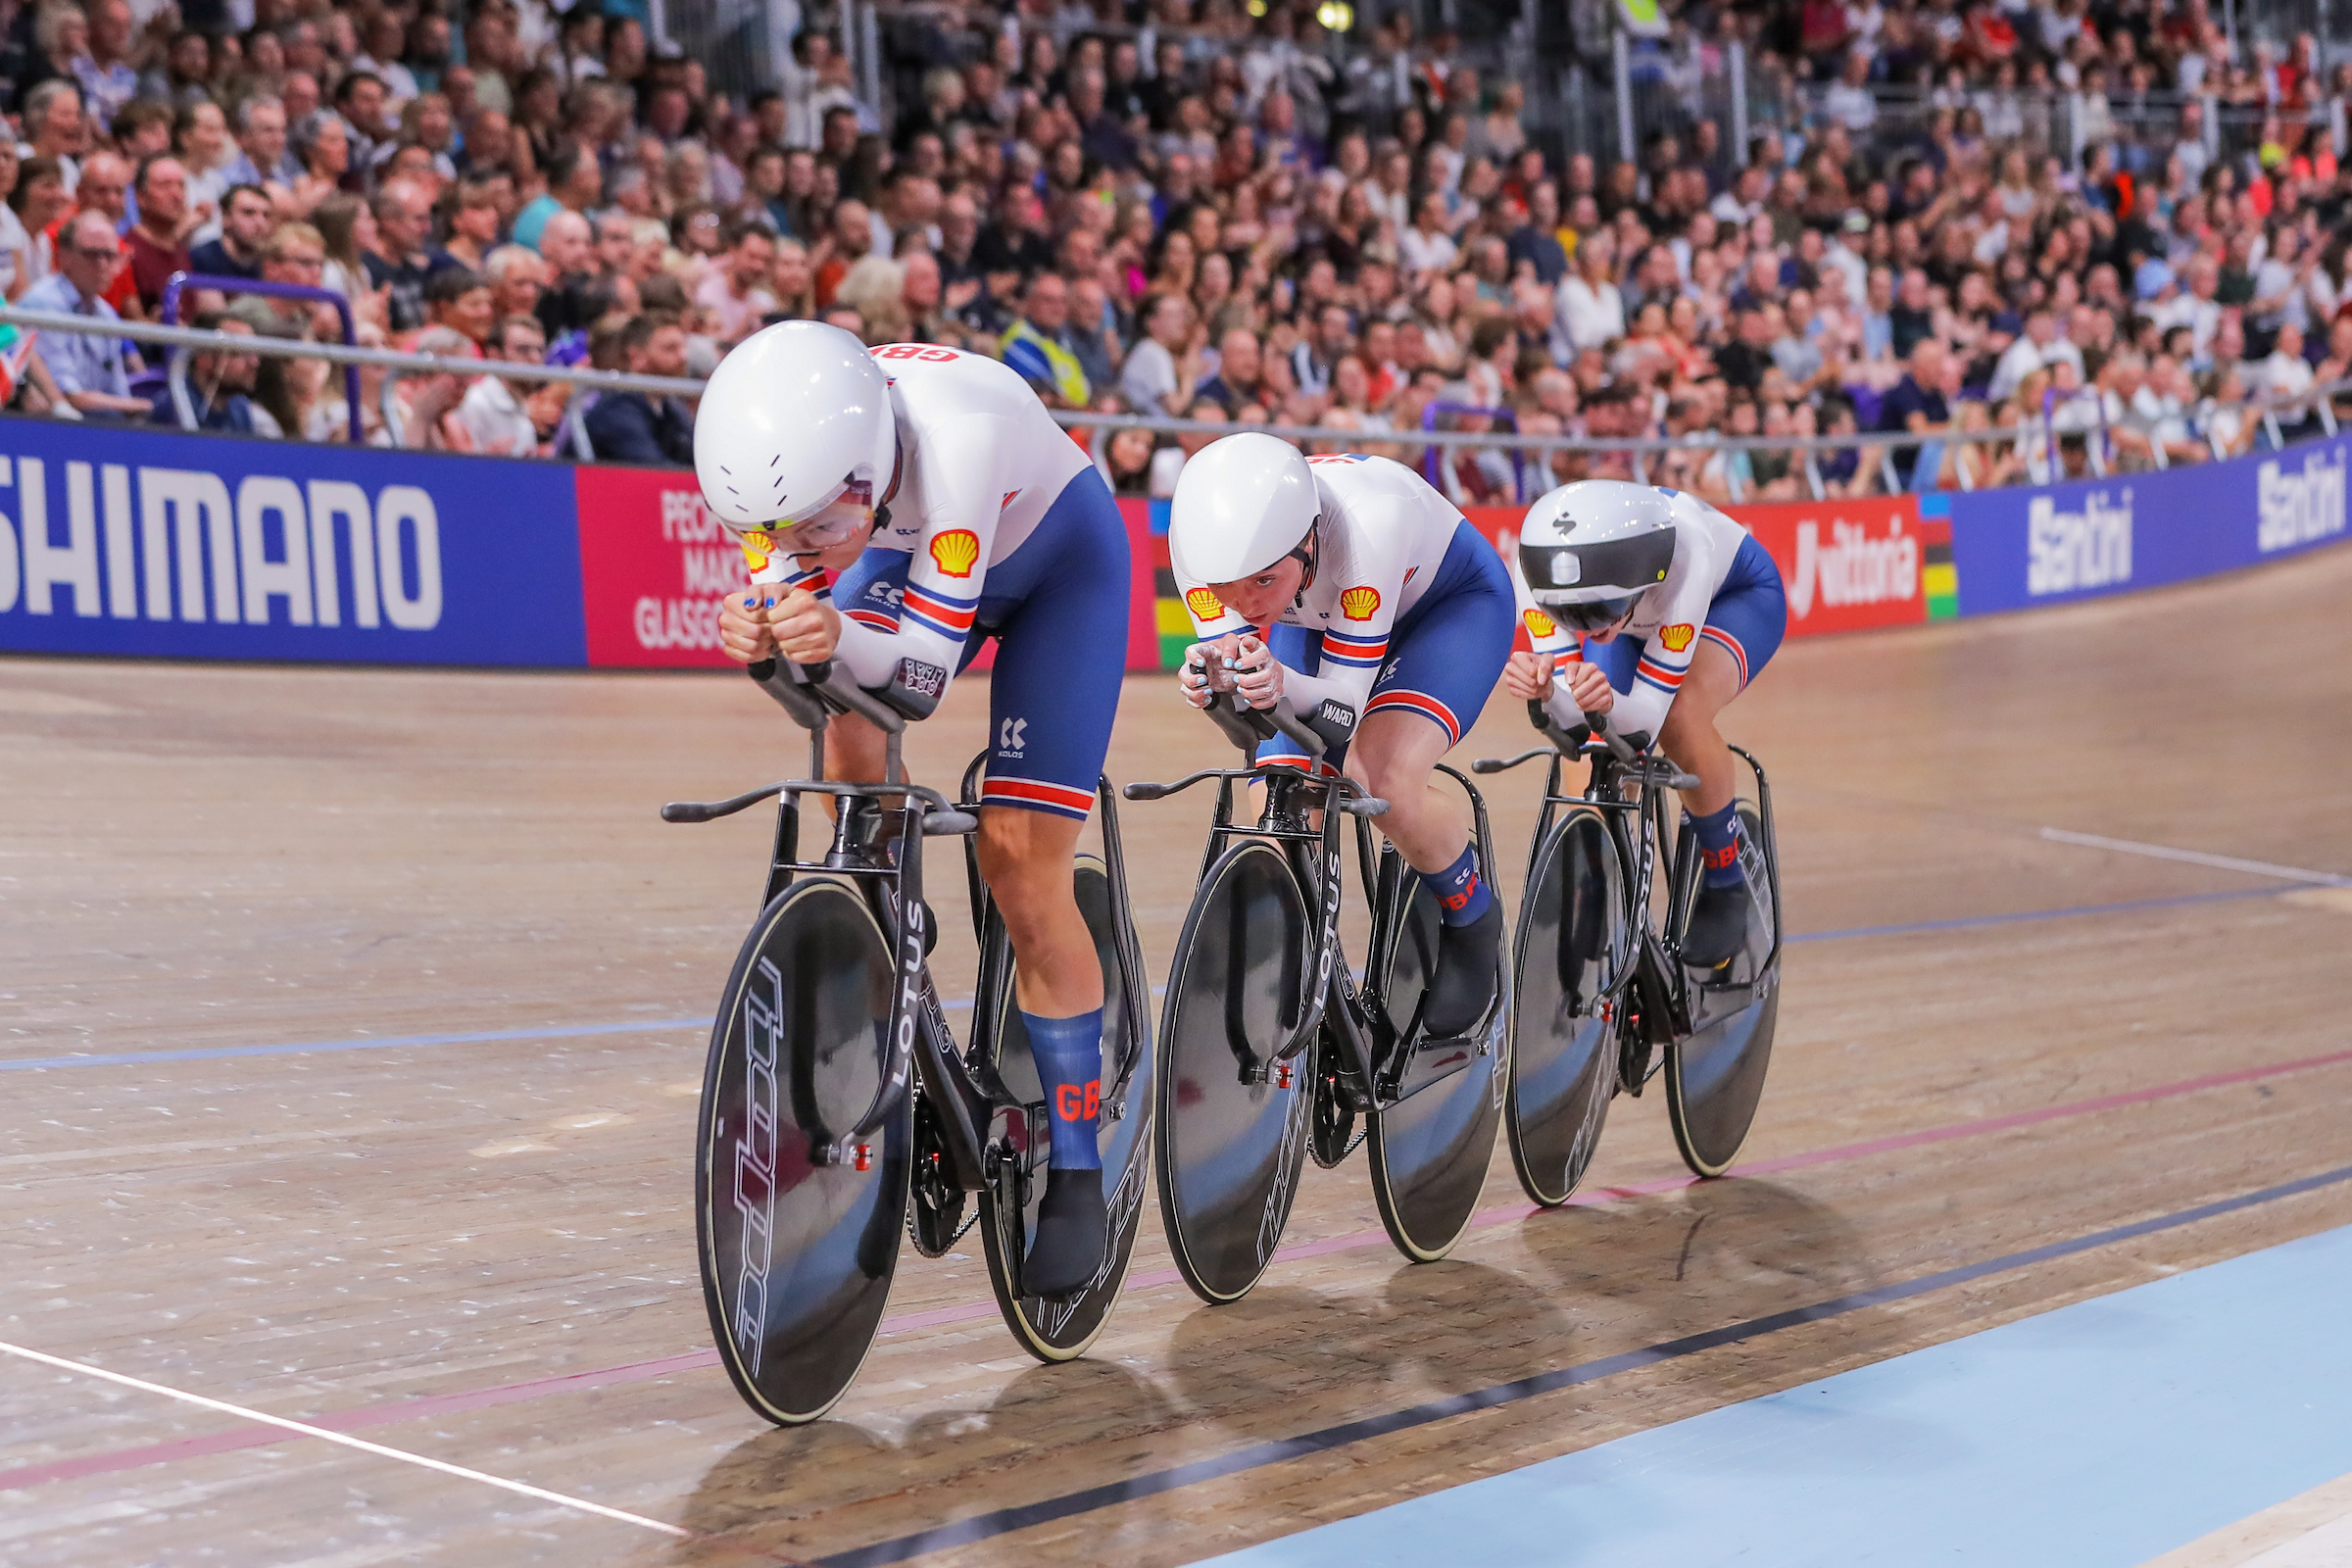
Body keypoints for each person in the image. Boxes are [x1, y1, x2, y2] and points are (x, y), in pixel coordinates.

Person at [696, 321, 1131, 1298]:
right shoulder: (798, 472)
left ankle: (1075, 1166)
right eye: (775, 534)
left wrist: (832, 629)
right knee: (847, 733)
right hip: (917, 551)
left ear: (861, 476)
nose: (789, 549)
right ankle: (891, 904)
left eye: (813, 527)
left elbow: (923, 679)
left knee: (1022, 865)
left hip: (1058, 568)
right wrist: (772, 644)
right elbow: (826, 683)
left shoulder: (955, 440)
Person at [1168, 434, 1516, 1039]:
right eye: (1229, 589)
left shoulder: (1367, 526)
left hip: (1445, 609)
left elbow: (1341, 715)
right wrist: (1214, 681)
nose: (1243, 603)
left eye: (1261, 583)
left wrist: (1277, 682)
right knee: (1276, 789)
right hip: (1317, 613)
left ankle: (1471, 915)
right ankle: (1306, 964)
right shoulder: (1202, 547)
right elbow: (1250, 692)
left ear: (1306, 542)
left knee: (1379, 777)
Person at [1503, 482, 1788, 966]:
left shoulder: (1686, 554)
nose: (1587, 626)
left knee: (1680, 718)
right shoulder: (1536, 569)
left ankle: (1725, 874)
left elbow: (1645, 724)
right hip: (1638, 617)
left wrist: (1601, 699)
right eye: (1569, 613)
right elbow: (1574, 723)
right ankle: (1597, 872)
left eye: (1598, 609)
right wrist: (1549, 693)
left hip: (1733, 601)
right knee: (1595, 748)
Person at [19, 209, 149, 416]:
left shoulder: (106, 314)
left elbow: (117, 390)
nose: (102, 264)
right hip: (51, 426)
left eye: (109, 255)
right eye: (92, 254)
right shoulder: (42, 304)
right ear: (65, 257)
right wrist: (141, 407)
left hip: (96, 425)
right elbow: (68, 396)